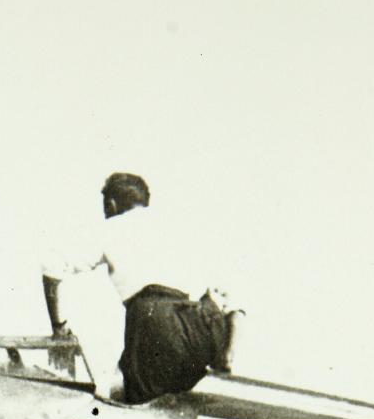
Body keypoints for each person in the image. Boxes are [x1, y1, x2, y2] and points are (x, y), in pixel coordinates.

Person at [41, 172, 238, 405]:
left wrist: (59, 327)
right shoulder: (178, 227)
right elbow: (229, 300)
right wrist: (225, 351)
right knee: (173, 405)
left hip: (155, 323)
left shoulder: (112, 227)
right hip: (200, 324)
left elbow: (51, 267)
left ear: (111, 204)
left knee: (126, 403)